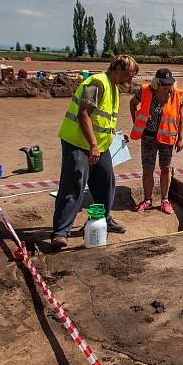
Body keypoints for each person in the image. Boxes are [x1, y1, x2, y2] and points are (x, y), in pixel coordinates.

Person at [51, 55, 139, 250]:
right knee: (74, 183)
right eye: (128, 74)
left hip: (101, 145)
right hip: (78, 142)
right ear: (117, 68)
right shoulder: (97, 83)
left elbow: (102, 120)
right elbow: (83, 114)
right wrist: (92, 145)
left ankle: (105, 218)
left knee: (106, 181)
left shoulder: (113, 88)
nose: (129, 80)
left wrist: (116, 136)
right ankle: (60, 232)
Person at [129, 68, 183, 214]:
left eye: (169, 84)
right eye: (164, 84)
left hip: (167, 138)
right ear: (157, 82)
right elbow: (132, 103)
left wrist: (180, 138)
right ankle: (147, 200)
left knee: (166, 169)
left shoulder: (176, 95)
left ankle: (165, 200)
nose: (167, 87)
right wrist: (136, 123)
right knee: (148, 169)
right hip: (148, 137)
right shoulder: (145, 91)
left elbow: (180, 116)